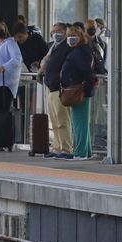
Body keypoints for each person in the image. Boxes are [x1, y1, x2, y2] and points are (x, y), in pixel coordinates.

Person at [58, 25, 96, 161]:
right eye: (68, 36)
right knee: (81, 122)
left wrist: (86, 86)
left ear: (81, 36)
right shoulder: (79, 50)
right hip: (80, 90)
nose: (70, 38)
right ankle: (86, 151)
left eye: (73, 35)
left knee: (79, 123)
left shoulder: (80, 52)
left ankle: (80, 152)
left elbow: (86, 71)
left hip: (79, 91)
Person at [39, 23, 74, 159]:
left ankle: (66, 148)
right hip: (51, 89)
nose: (55, 34)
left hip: (60, 89)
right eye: (53, 31)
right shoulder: (54, 47)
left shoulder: (67, 47)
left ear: (65, 32)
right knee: (54, 121)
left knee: (62, 120)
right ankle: (58, 147)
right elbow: (46, 61)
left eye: (58, 31)